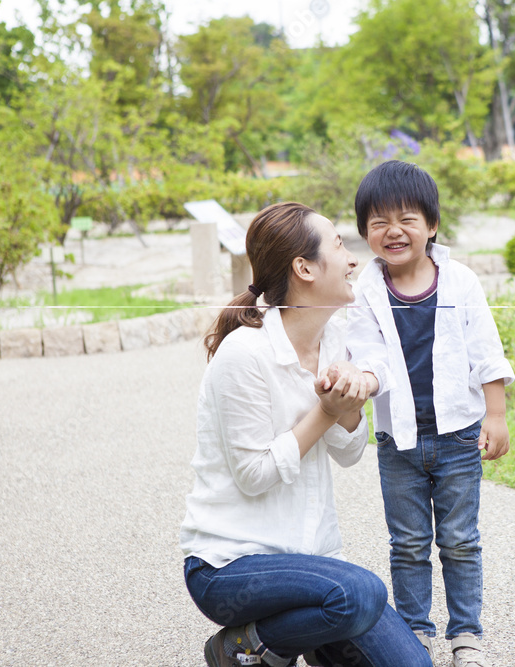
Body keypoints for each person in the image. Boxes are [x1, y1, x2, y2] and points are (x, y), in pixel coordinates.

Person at [180, 201, 432, 667]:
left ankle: (305, 637)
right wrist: (325, 411)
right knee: (359, 594)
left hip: (311, 562)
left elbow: (350, 452)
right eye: (339, 245)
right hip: (231, 567)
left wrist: (349, 409)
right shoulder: (245, 354)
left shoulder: (335, 341)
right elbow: (254, 474)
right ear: (304, 268)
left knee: (413, 664)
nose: (353, 258)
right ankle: (245, 647)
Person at [346, 161, 515, 667]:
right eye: (378, 222)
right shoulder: (365, 292)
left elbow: (485, 349)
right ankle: (414, 633)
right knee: (408, 543)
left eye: (407, 219)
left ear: (432, 224)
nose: (393, 231)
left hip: (458, 435)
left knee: (461, 541)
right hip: (397, 439)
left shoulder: (460, 282)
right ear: (364, 233)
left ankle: (467, 636)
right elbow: (366, 354)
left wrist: (496, 414)